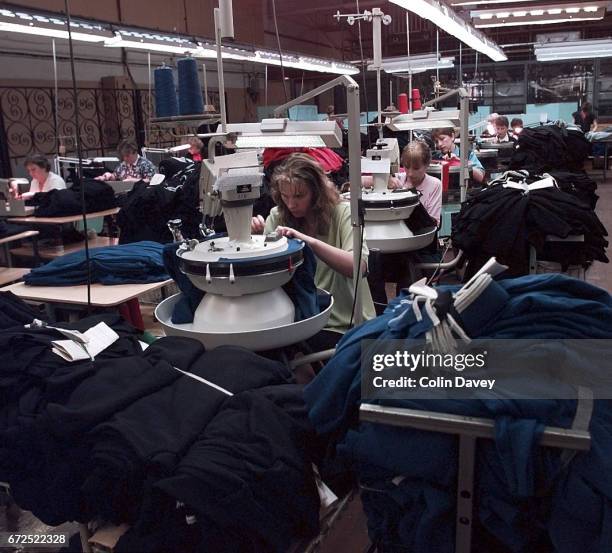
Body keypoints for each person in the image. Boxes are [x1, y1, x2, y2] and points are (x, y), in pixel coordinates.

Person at [251, 153, 375, 350]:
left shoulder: (343, 212)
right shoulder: (277, 216)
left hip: (342, 323)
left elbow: (357, 267)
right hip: (299, 319)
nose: (291, 204)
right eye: (285, 196)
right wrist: (253, 241)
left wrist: (308, 241)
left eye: (299, 196)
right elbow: (266, 275)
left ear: (316, 192)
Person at [362, 141, 442, 225]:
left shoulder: (435, 185)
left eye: (416, 168)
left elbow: (434, 222)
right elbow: (359, 181)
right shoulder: (398, 179)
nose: (410, 173)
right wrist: (384, 181)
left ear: (427, 165)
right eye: (407, 167)